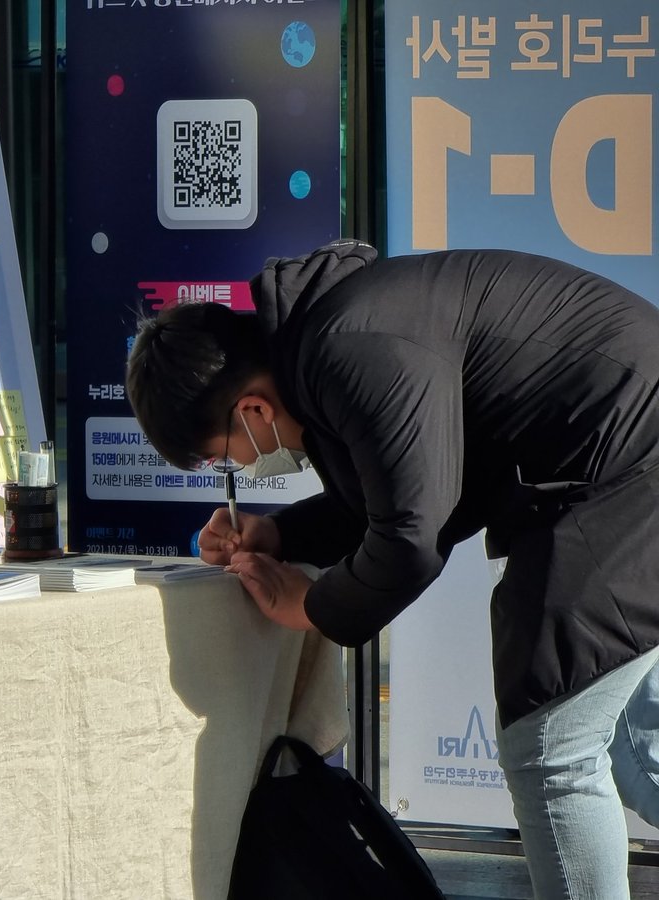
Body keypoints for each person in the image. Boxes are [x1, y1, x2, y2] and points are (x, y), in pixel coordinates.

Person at [126, 240, 659, 899]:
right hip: (614, 453)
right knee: (633, 749)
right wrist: (278, 532)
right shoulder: (325, 342)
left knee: (550, 752)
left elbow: (412, 538)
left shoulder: (350, 346)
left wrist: (313, 606)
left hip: (627, 459)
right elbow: (391, 496)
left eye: (225, 461)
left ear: (252, 411)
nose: (236, 473)